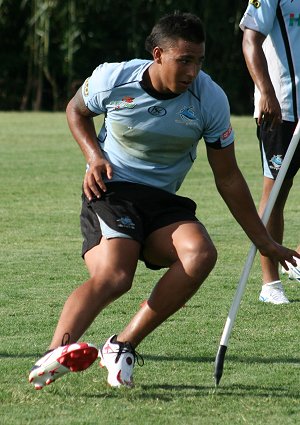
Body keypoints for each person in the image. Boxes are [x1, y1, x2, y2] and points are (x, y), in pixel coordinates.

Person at [29, 11, 299, 390]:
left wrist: (263, 241)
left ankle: (121, 347)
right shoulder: (114, 77)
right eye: (183, 60)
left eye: (199, 61)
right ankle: (55, 353)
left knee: (201, 254)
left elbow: (228, 178)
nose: (192, 71)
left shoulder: (210, 99)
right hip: (112, 191)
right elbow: (77, 109)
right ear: (158, 55)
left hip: (162, 202)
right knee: (116, 277)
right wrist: (94, 156)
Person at [240, 0, 300, 304]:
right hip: (283, 110)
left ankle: (297, 261)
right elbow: (250, 38)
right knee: (275, 192)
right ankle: (270, 284)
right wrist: (266, 92)